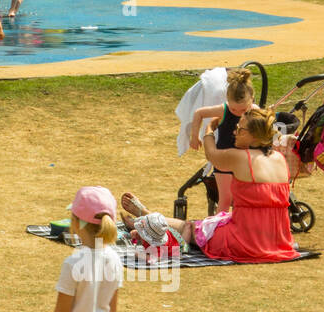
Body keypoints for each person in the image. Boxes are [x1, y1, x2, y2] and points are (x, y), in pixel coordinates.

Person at [119, 105, 300, 263]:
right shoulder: (279, 158)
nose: (235, 132)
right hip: (277, 239)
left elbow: (211, 154)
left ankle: (147, 219)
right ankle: (147, 219)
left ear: (254, 136)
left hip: (246, 240)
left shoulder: (240, 157)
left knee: (192, 228)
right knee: (206, 224)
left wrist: (210, 129)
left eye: (241, 130)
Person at [187, 67, 255, 213]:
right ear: (227, 101)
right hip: (223, 160)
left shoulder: (255, 111)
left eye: (242, 110)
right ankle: (217, 231)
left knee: (242, 199)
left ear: (251, 101)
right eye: (234, 109)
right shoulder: (224, 109)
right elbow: (199, 113)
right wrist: (194, 136)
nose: (238, 113)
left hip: (244, 161)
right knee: (225, 199)